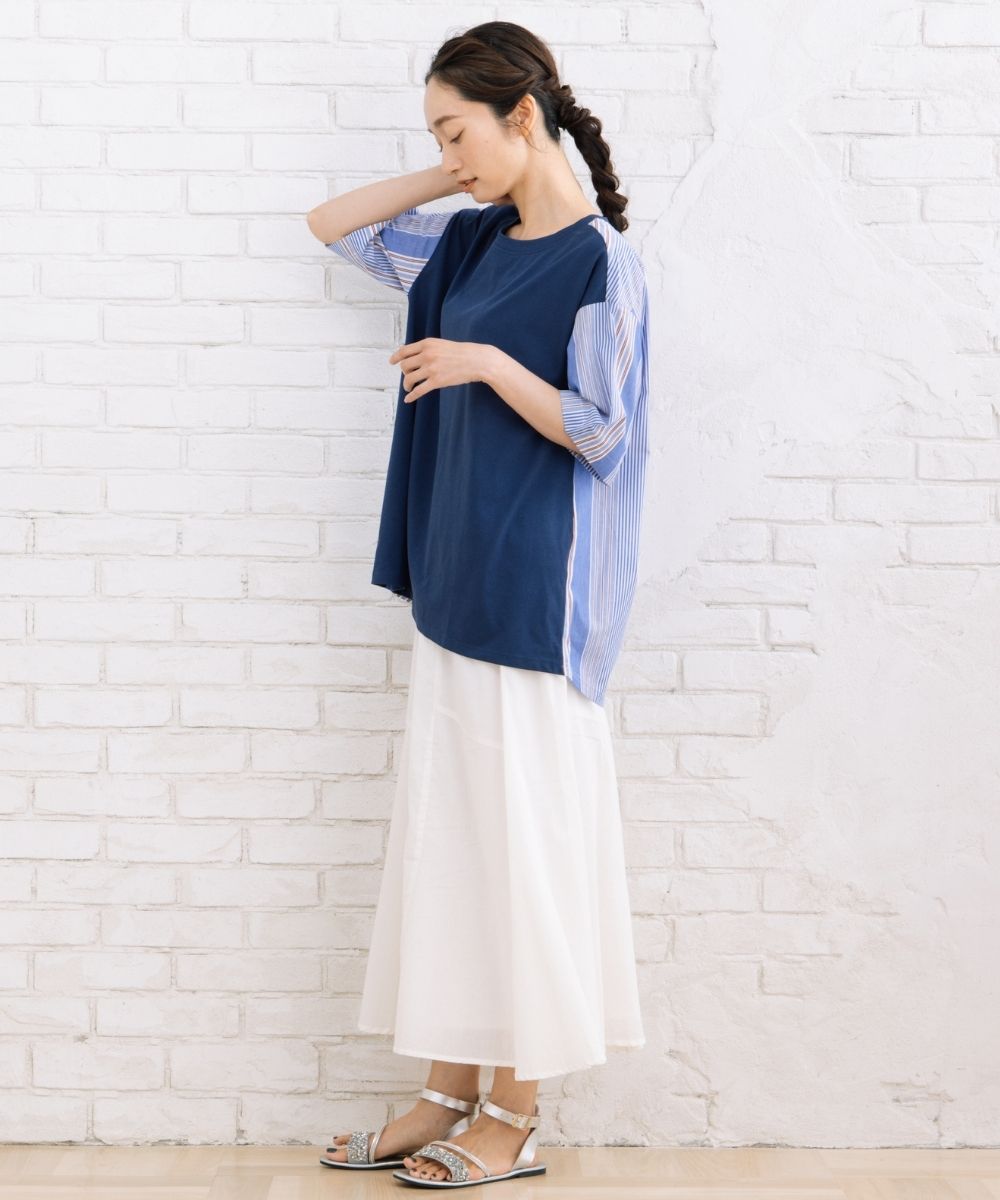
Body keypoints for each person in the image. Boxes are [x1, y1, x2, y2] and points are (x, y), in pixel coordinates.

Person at [306, 20, 649, 1190]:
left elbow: (602, 431)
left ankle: (517, 1113)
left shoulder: (601, 263)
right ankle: (448, 1091)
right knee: (457, 849)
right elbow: (333, 224)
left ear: (523, 116)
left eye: (458, 130)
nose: (448, 155)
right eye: (436, 136)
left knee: (526, 853)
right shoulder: (467, 240)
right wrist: (447, 169)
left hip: (535, 597)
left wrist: (489, 365)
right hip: (454, 581)